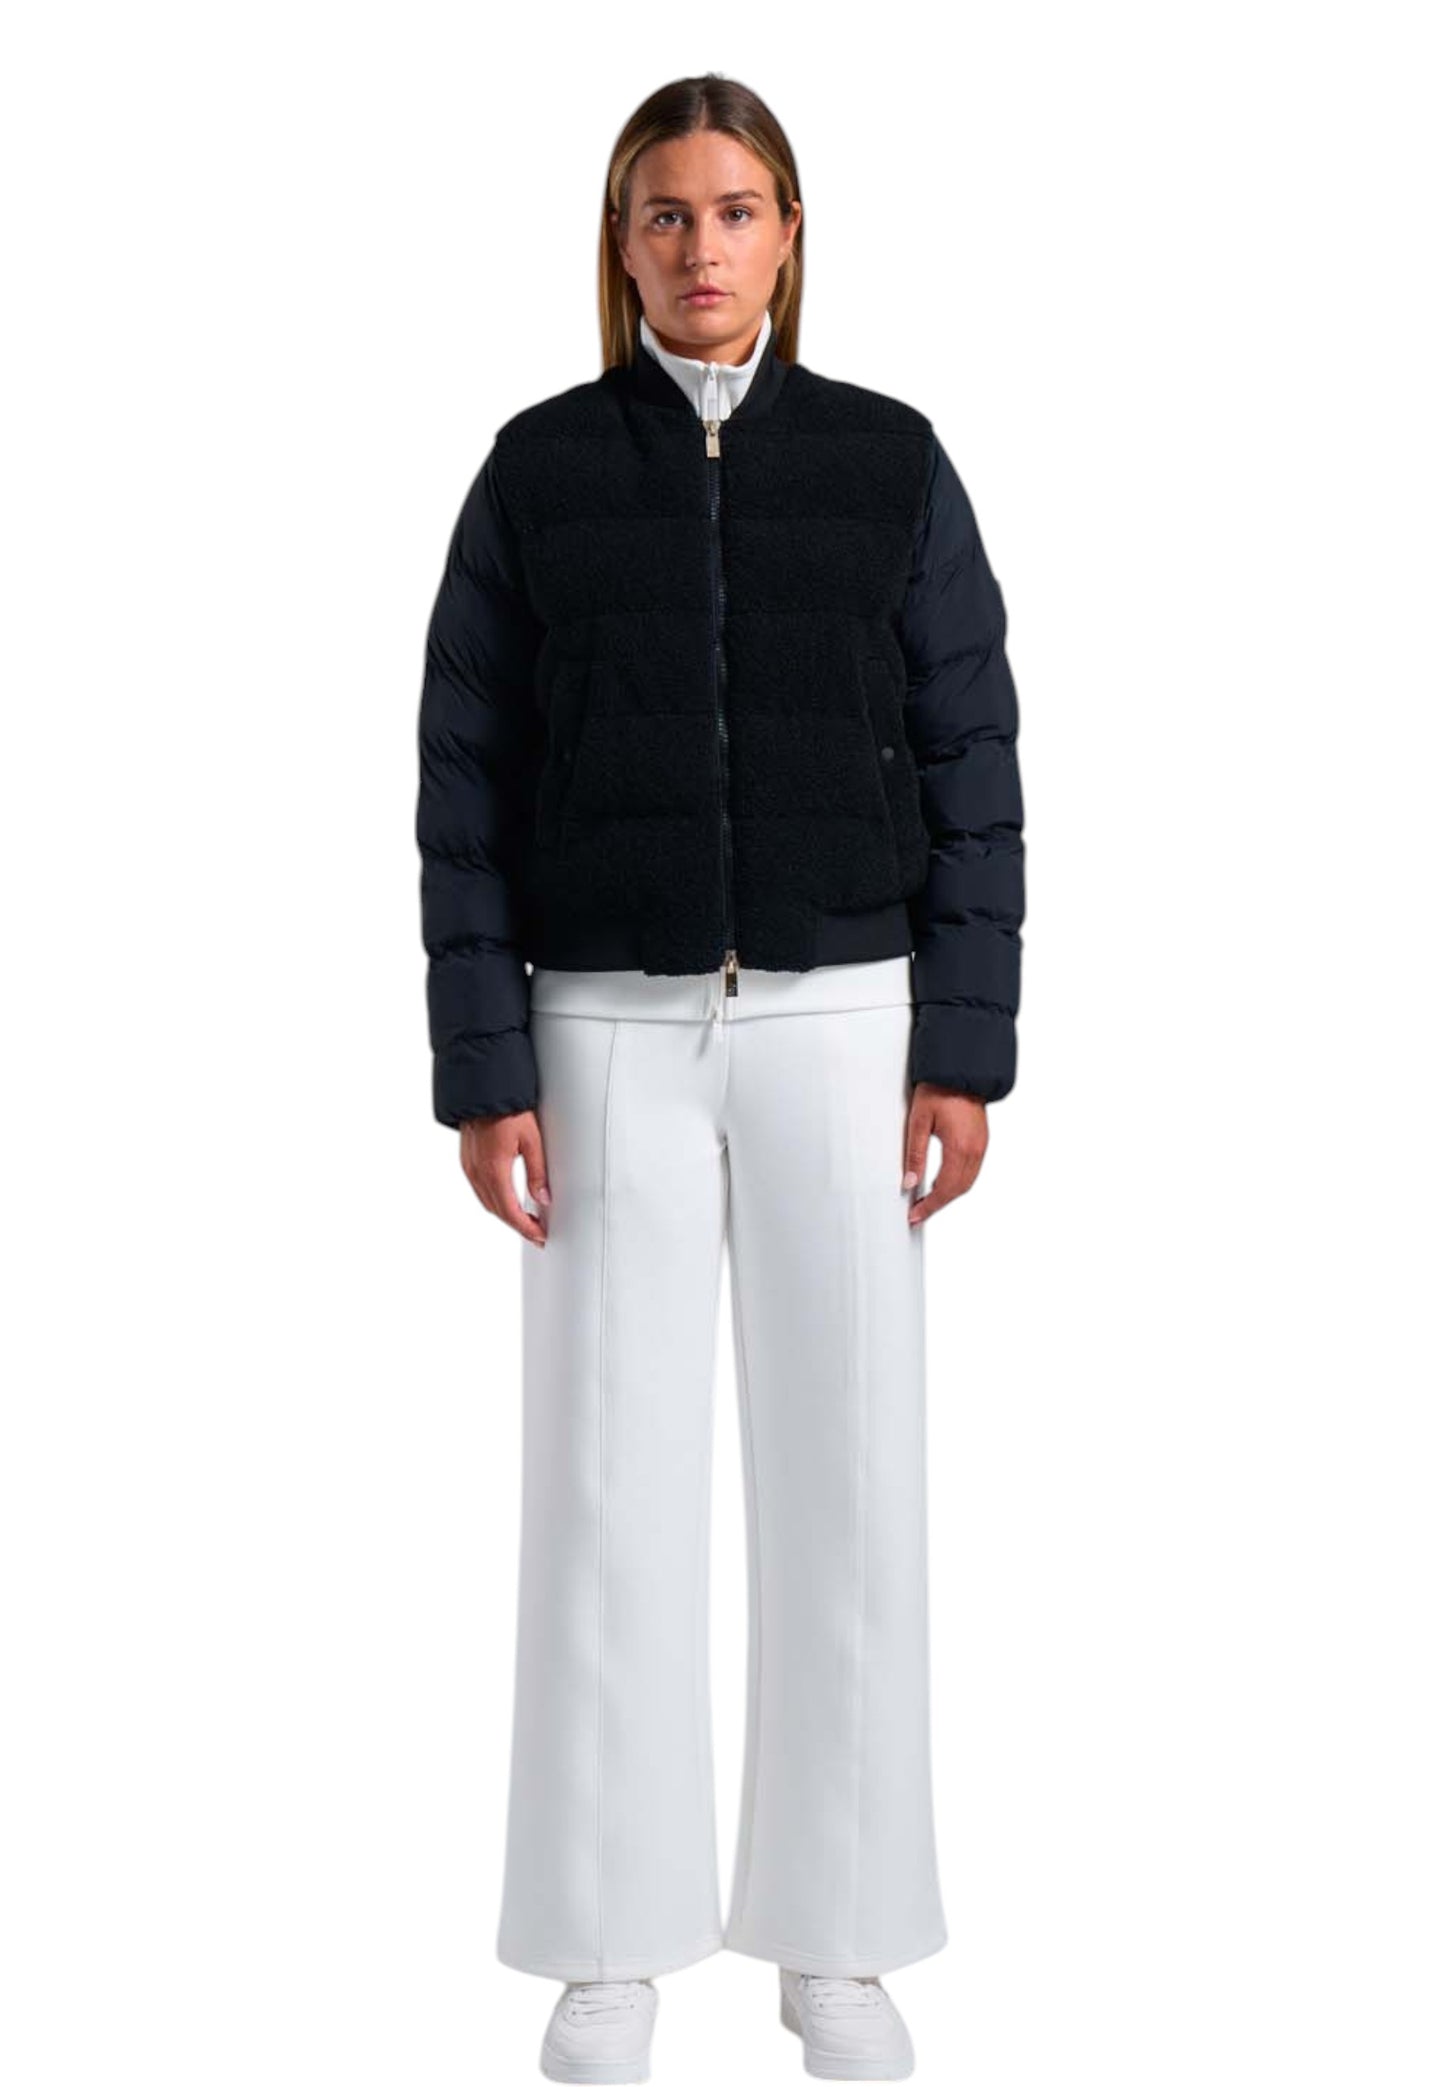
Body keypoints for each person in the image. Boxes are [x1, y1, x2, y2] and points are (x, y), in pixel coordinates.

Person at [414, 72, 1025, 2087]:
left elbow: (974, 760)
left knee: (851, 1480)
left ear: (789, 233)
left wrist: (962, 1045)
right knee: (607, 1486)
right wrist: (486, 1065)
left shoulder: (887, 461)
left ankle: (835, 1937)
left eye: (736, 209)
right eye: (666, 212)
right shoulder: (536, 473)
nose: (701, 247)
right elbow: (462, 781)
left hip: (846, 1027)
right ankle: (610, 1940)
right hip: (601, 1031)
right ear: (620, 240)